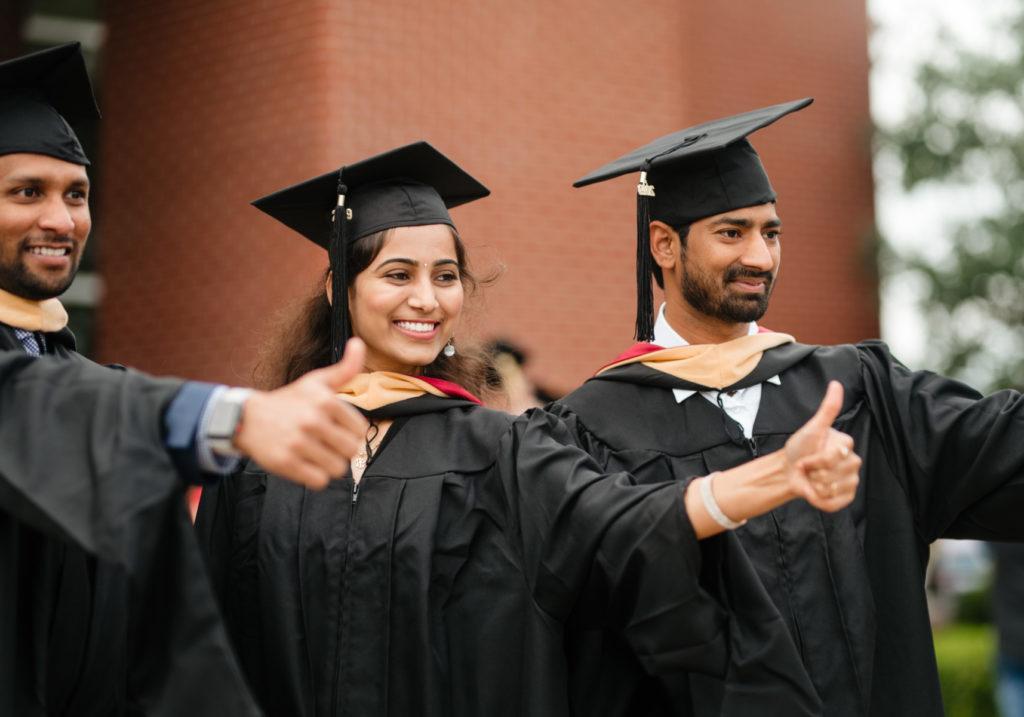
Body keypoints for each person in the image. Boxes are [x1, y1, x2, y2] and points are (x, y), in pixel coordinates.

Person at [196, 141, 862, 716]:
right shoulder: (261, 458)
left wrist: (770, 475)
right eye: (397, 274)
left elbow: (618, 521)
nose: (427, 300)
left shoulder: (501, 449)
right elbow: (202, 640)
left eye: (446, 276)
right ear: (340, 287)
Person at [549, 97, 1024, 716]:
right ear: (664, 245)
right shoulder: (591, 428)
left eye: (770, 232)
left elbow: (1000, 447)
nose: (760, 257)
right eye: (732, 233)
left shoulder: (861, 389)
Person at [0, 43, 369, 715]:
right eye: (28, 192)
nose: (61, 219)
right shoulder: (64, 394)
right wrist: (226, 416)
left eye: (77, 194)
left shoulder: (80, 378)